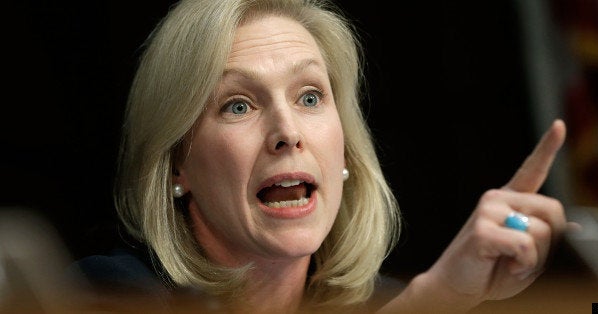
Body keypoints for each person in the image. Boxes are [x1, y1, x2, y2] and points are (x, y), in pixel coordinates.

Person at [69, 0, 570, 312]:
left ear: (345, 147)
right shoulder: (109, 292)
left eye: (309, 97)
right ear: (177, 164)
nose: (287, 132)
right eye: (238, 105)